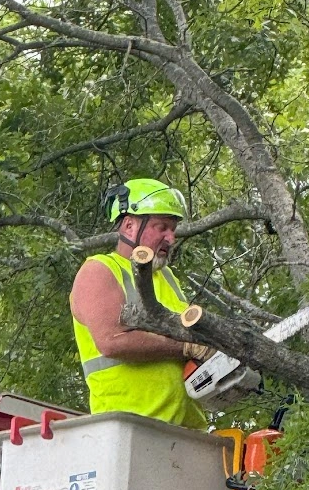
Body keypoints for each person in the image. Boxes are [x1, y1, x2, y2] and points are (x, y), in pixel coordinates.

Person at [70, 178, 213, 428]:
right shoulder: (100, 270)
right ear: (128, 226)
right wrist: (186, 347)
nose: (171, 237)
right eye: (162, 227)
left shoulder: (166, 277)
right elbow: (112, 342)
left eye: (173, 229)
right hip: (129, 430)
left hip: (188, 433)